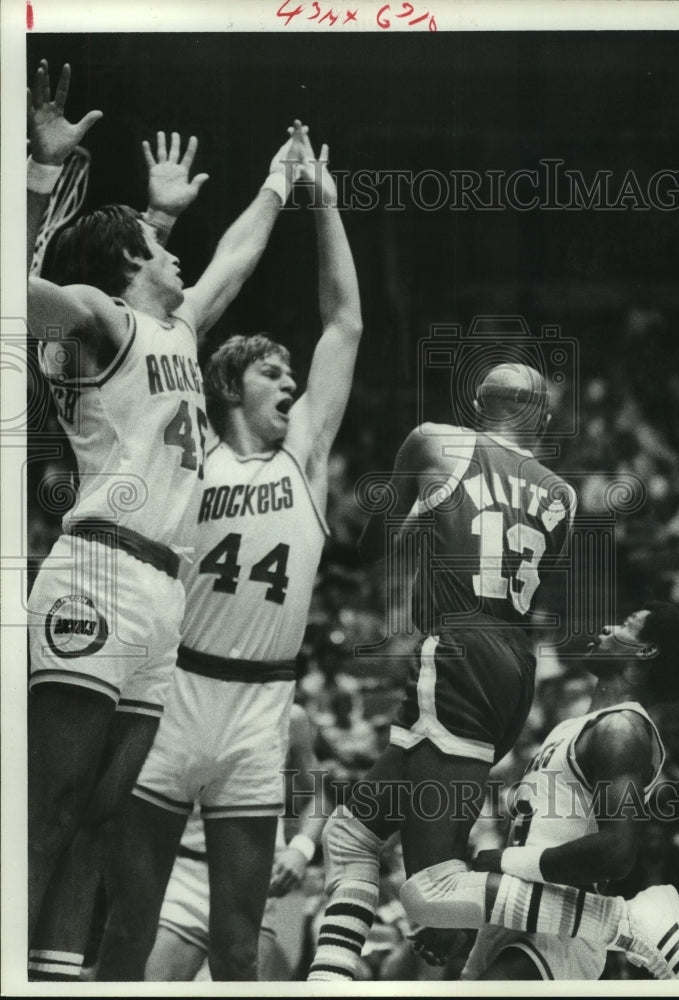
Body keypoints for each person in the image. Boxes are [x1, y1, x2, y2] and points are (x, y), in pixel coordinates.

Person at [25, 57, 306, 979]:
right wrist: (38, 175)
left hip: (162, 597)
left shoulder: (177, 331)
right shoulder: (99, 317)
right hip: (99, 571)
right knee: (50, 806)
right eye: (154, 242)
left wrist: (279, 180)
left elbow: (231, 257)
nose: (173, 247)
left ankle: (58, 976)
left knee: (104, 815)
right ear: (128, 264)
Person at [95, 133, 363, 980]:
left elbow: (345, 320)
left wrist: (320, 197)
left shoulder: (305, 460)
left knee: (241, 944)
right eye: (272, 374)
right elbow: (191, 300)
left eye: (292, 374)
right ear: (228, 387)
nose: (290, 383)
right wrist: (167, 216)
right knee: (129, 929)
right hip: (177, 689)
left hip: (261, 709)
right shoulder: (189, 453)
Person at [308, 360, 578, 980]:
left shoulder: (435, 439)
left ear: (479, 406)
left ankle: (624, 925)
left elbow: (373, 544)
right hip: (514, 662)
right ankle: (330, 980)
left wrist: (411, 518)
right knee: (350, 833)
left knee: (434, 894)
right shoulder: (563, 494)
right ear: (541, 416)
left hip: (457, 650)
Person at [460, 602, 679, 981]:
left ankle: (639, 923)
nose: (606, 626)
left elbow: (618, 852)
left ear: (646, 651)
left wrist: (507, 861)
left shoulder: (622, 730)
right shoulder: (573, 728)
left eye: (625, 624)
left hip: (560, 929)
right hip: (520, 909)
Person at [143, 704, 326, 982]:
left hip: (254, 879)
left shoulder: (290, 714)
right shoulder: (177, 701)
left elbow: (320, 797)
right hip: (186, 874)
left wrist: (300, 850)